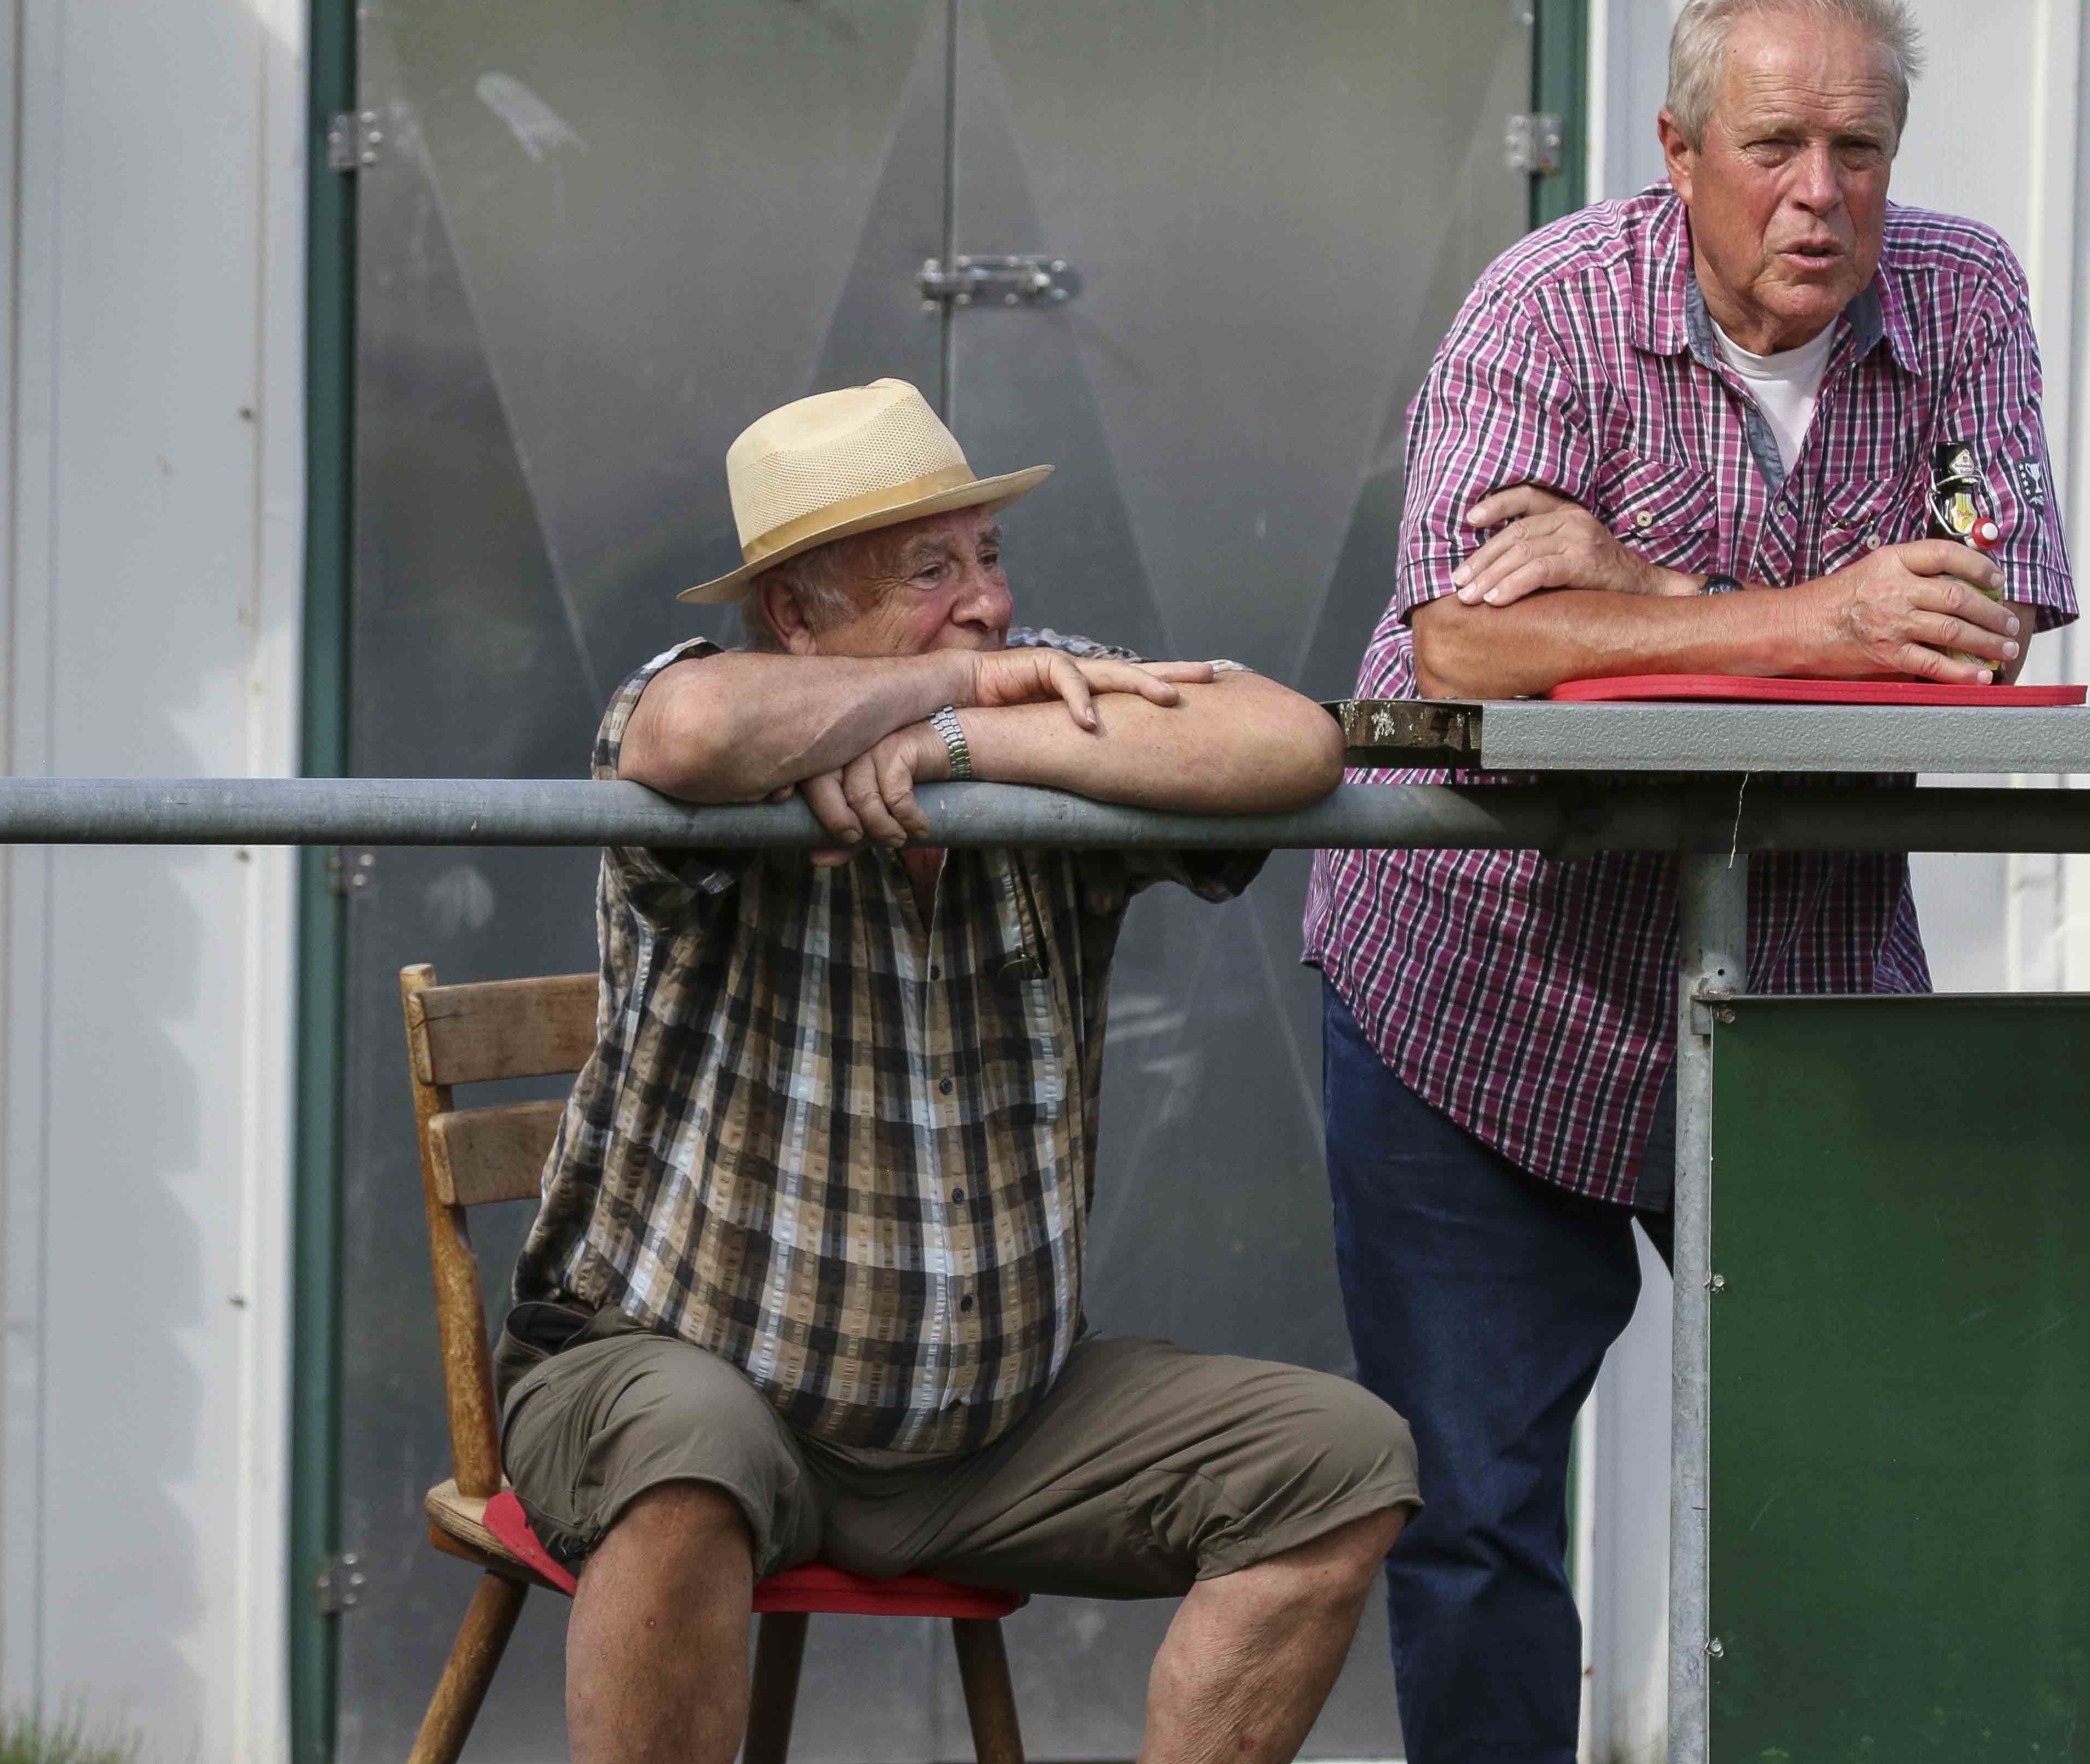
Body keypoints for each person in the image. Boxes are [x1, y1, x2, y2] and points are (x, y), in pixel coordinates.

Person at [1303, 0, 2081, 1763]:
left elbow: (1994, 626)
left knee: (1863, 1469)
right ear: (1675, 149)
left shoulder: (1965, 288)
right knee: (1473, 1515)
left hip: (1801, 977)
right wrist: (1814, 615)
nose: (1821, 194)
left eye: (1860, 150)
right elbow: (1460, 642)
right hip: (1482, 992)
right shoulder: (1546, 301)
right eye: (1774, 146)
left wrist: (1641, 587)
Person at [505, 377, 1418, 1764]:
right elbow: (685, 737)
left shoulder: (1028, 698)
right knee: (687, 1454)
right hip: (683, 1381)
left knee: (1340, 1464)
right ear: (795, 614)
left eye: (988, 555)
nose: (989, 604)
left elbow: (1293, 742)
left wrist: (953, 742)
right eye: (930, 573)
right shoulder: (715, 714)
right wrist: (955, 685)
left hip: (995, 1435)